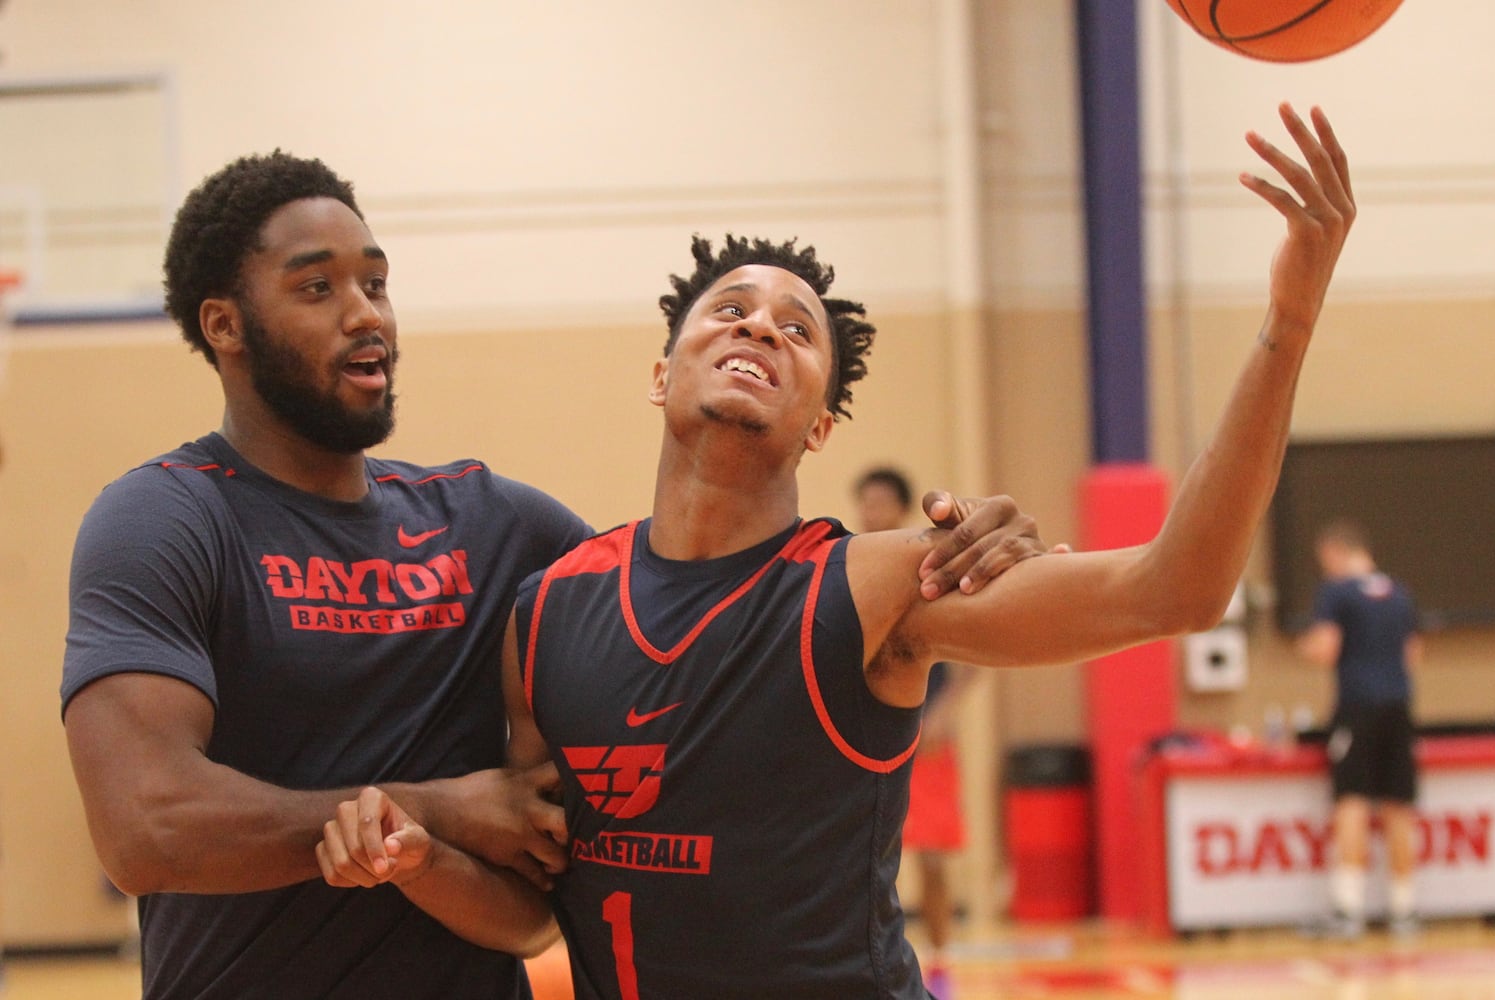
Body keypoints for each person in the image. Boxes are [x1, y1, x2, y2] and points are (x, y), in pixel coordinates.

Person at [324, 101, 1353, 998]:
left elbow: (1171, 589)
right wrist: (417, 861)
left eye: (797, 328)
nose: (760, 327)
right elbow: (533, 907)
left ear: (820, 425)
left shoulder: (873, 585)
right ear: (662, 372)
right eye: (729, 310)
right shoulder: (548, 612)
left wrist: (1291, 323)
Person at [59, 150, 1049, 999]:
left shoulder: (495, 523)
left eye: (377, 281)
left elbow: (715, 617)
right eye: (318, 288)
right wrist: (437, 803)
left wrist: (969, 547)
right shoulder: (167, 517)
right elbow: (148, 827)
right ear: (225, 326)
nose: (366, 315)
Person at [853, 466, 974, 999]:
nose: (872, 510)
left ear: (900, 508)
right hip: (872, 736)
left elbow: (971, 651)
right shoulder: (852, 562)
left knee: (931, 857)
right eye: (866, 501)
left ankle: (942, 962)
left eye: (882, 501)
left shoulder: (929, 565)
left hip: (926, 737)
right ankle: (874, 962)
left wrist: (944, 712)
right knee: (869, 858)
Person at [1295, 518, 1423, 939]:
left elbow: (1326, 648)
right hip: (1399, 707)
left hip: (1357, 708)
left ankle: (1348, 909)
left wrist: (1305, 646)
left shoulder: (1337, 593)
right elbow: (1413, 657)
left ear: (1334, 552)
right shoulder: (1399, 594)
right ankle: (1403, 909)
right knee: (1397, 803)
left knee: (1351, 799)